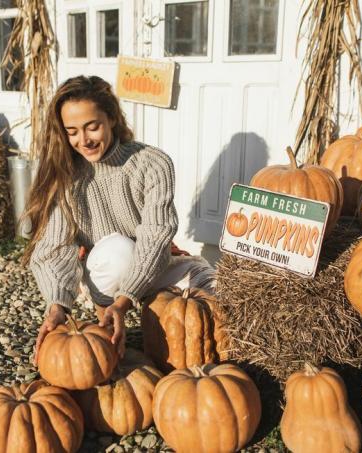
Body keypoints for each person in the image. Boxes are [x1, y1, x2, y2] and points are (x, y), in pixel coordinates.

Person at [22, 75, 216, 364]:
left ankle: (137, 310)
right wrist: (57, 305)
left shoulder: (152, 163)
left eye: (92, 127)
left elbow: (155, 236)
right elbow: (55, 248)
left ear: (111, 118)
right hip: (108, 269)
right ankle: (106, 316)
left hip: (156, 261)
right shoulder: (67, 177)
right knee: (118, 251)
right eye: (72, 131)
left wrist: (126, 300)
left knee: (221, 296)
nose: (83, 140)